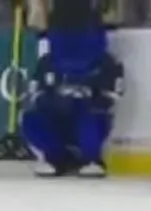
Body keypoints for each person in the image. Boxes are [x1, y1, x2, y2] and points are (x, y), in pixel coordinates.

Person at [18, 20, 123, 177]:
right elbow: (35, 93)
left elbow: (112, 97)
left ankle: (91, 159)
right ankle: (56, 158)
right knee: (31, 119)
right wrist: (53, 101)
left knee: (92, 118)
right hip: (57, 114)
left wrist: (86, 99)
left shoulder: (106, 62)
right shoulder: (47, 61)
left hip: (88, 113)